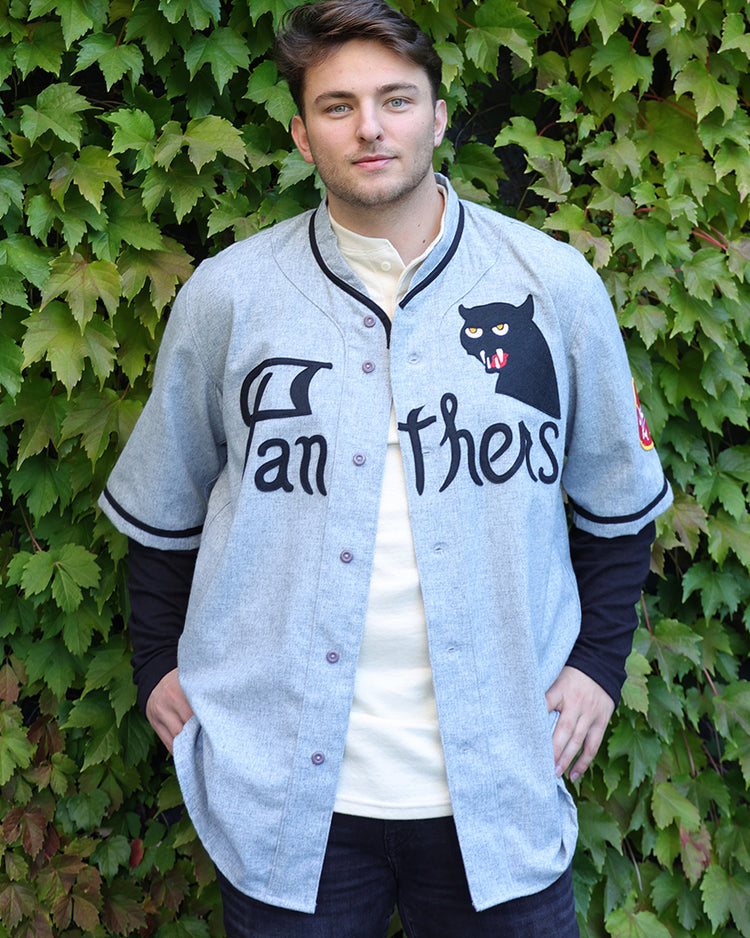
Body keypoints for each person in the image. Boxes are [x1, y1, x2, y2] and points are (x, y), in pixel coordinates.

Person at [99, 1, 672, 935]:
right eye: (338, 106)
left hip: (501, 781)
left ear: (439, 118)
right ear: (300, 132)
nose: (370, 127)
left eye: (396, 100)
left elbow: (617, 507)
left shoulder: (551, 284)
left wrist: (600, 666)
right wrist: (157, 661)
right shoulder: (231, 296)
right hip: (288, 795)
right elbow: (167, 512)